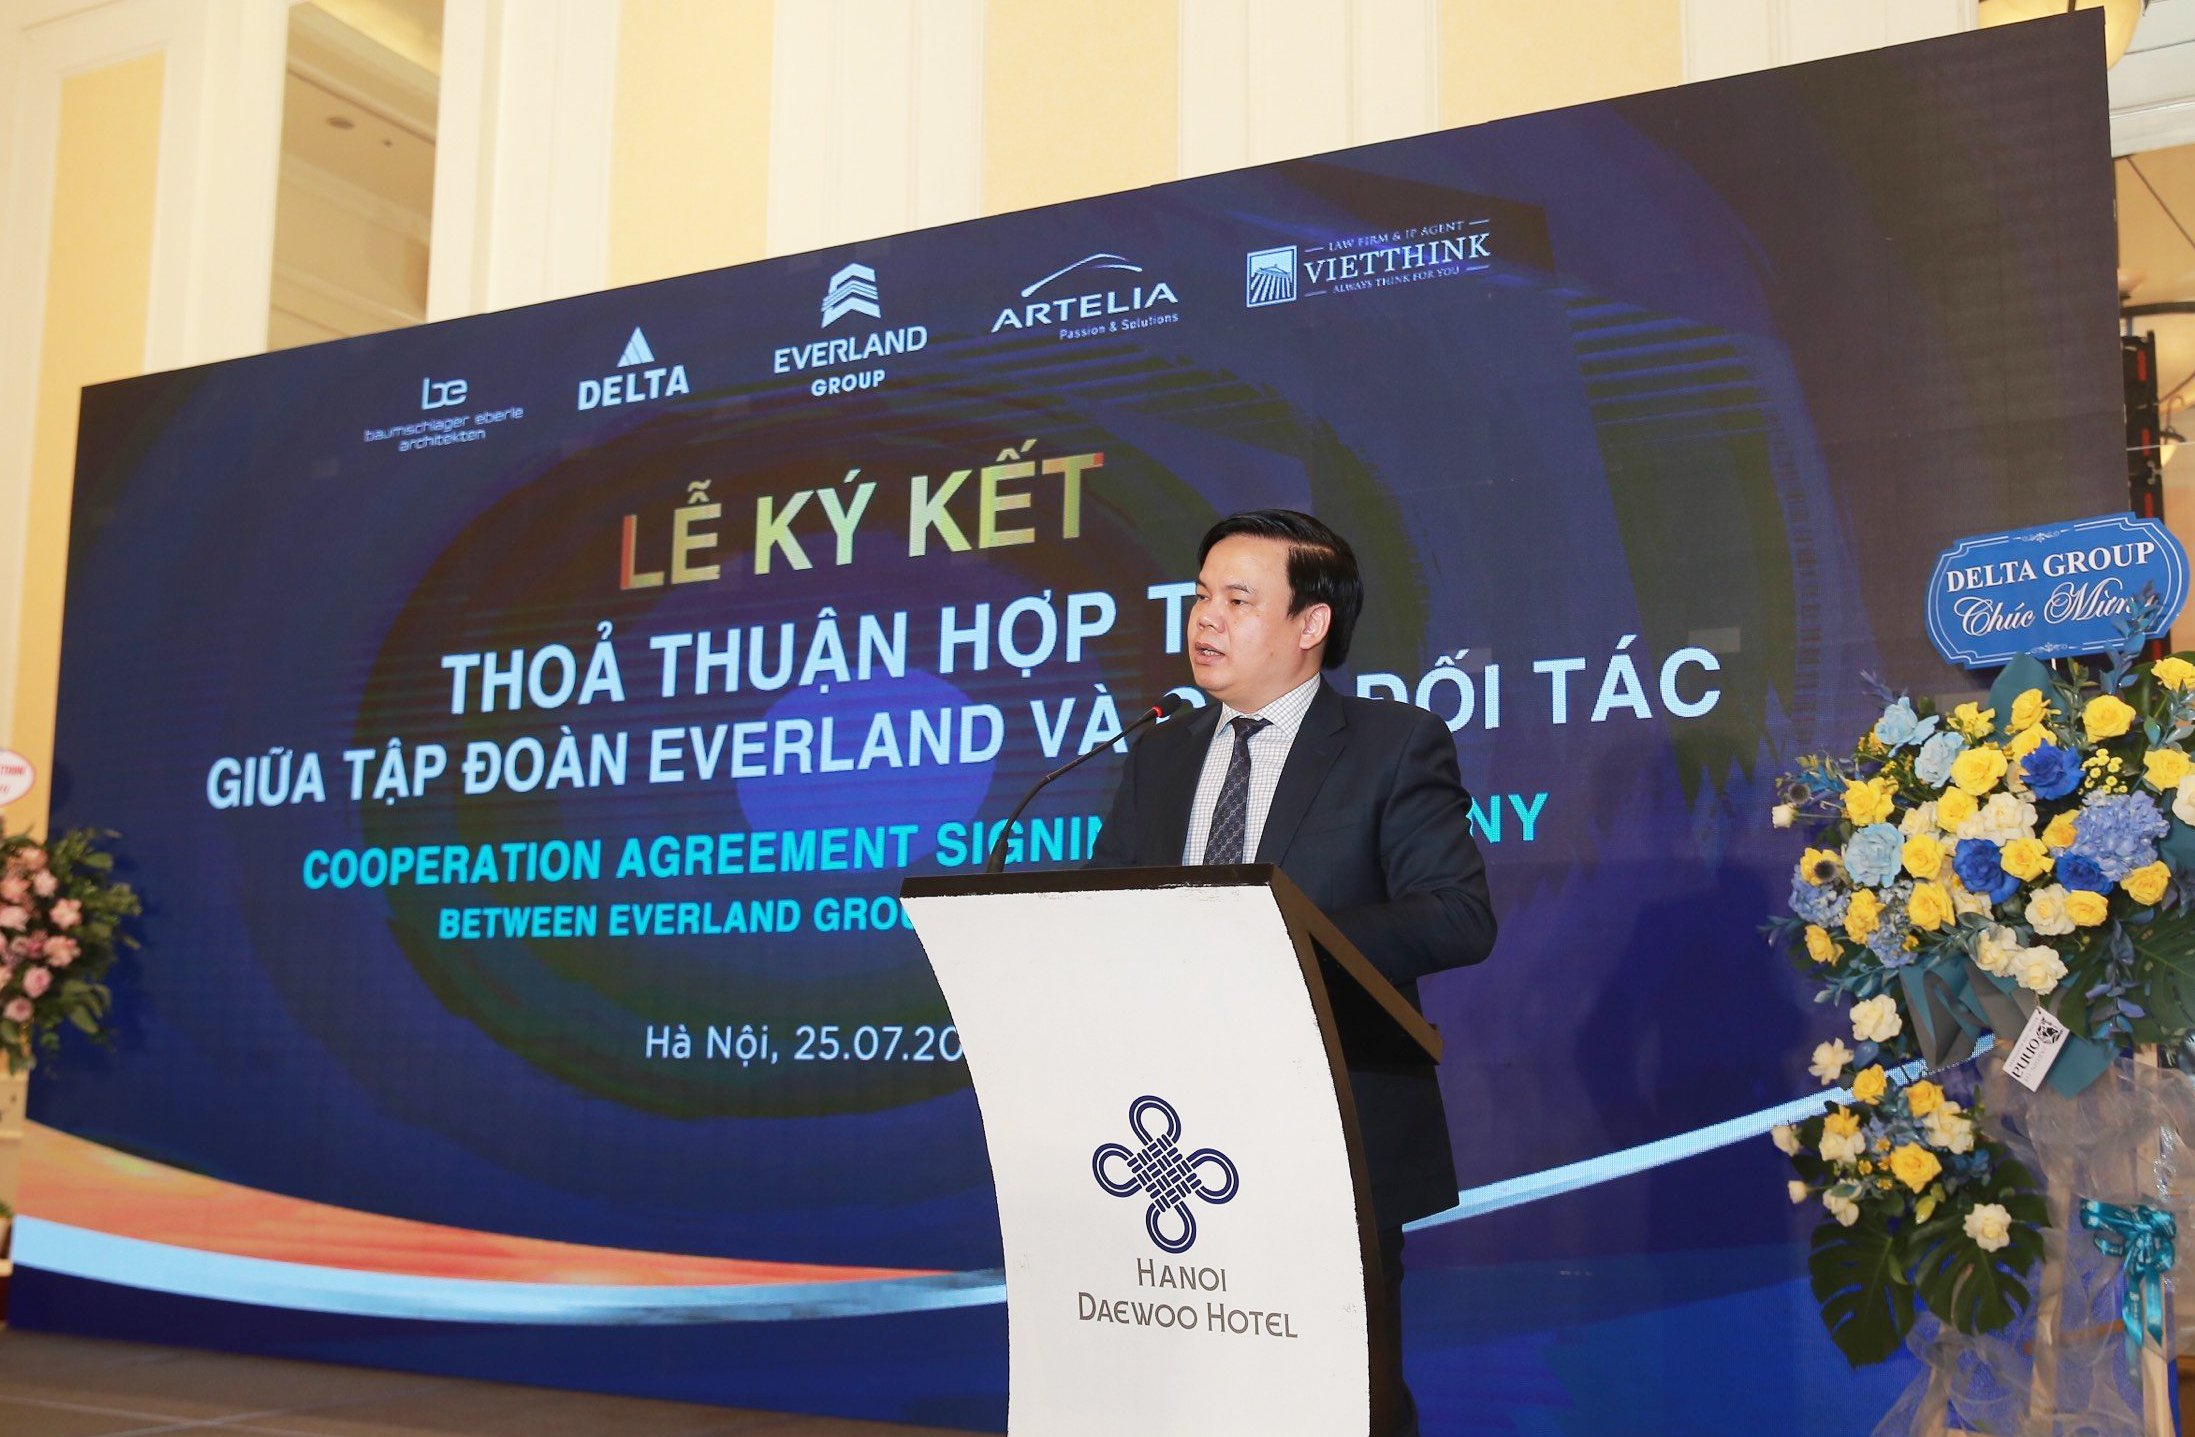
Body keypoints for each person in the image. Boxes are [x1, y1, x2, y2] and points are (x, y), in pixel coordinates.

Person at [1089, 508, 1497, 1437]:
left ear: (1310, 622)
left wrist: (1274, 938)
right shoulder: (1160, 751)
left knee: (1340, 1395)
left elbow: (1456, 913)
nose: (1205, 618)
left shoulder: (1393, 743)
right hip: (1167, 1129)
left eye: (1238, 599)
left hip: (1329, 1118)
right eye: (1200, 596)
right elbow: (1112, 909)